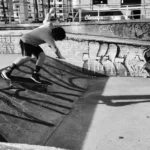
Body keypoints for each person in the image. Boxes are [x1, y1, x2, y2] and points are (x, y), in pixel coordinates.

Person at [1, 7, 66, 83]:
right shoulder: (49, 38)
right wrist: (60, 56)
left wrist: (50, 12)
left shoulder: (49, 25)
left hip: (33, 43)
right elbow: (55, 49)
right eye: (57, 39)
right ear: (55, 37)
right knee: (27, 57)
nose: (55, 40)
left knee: (42, 55)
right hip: (25, 40)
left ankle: (35, 75)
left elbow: (46, 19)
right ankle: (7, 71)